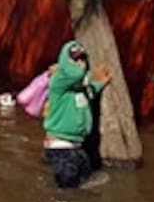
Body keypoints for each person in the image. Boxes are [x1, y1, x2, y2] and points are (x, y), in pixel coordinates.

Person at [43, 40, 111, 188]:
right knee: (68, 194)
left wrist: (100, 82)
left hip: (76, 147)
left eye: (82, 59)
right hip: (60, 148)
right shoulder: (58, 81)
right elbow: (76, 73)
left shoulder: (81, 88)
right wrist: (64, 66)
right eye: (75, 59)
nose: (80, 63)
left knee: (84, 185)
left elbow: (90, 91)